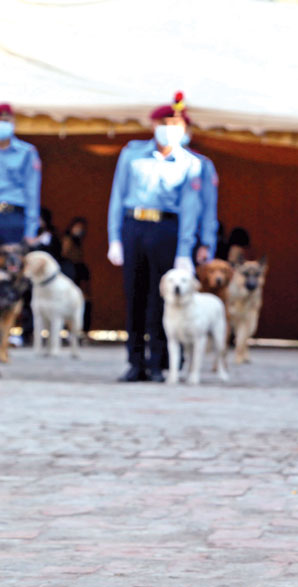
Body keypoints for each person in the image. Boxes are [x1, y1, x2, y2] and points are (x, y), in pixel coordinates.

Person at [107, 92, 203, 383]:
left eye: (175, 123)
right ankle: (135, 362)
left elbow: (190, 209)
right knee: (134, 295)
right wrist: (114, 238)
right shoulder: (132, 153)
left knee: (162, 299)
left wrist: (185, 250)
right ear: (153, 125)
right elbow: (117, 196)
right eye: (164, 122)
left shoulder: (189, 162)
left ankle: (159, 362)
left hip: (166, 230)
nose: (169, 128)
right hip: (134, 225)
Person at [0, 103, 41, 246]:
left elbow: (32, 192)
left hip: (13, 217)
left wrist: (31, 230)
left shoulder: (26, 152)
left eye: (6, 120)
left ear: (13, 122)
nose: (2, 124)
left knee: (11, 264)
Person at [181, 129, 219, 265]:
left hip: (192, 238)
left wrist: (207, 243)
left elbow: (209, 208)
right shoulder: (152, 159)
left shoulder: (202, 164)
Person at [61, 216, 92, 331]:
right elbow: (65, 253)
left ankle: (81, 330)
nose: (80, 230)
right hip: (69, 274)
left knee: (84, 302)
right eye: (77, 227)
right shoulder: (68, 239)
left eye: (82, 228)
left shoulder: (78, 243)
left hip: (78, 274)